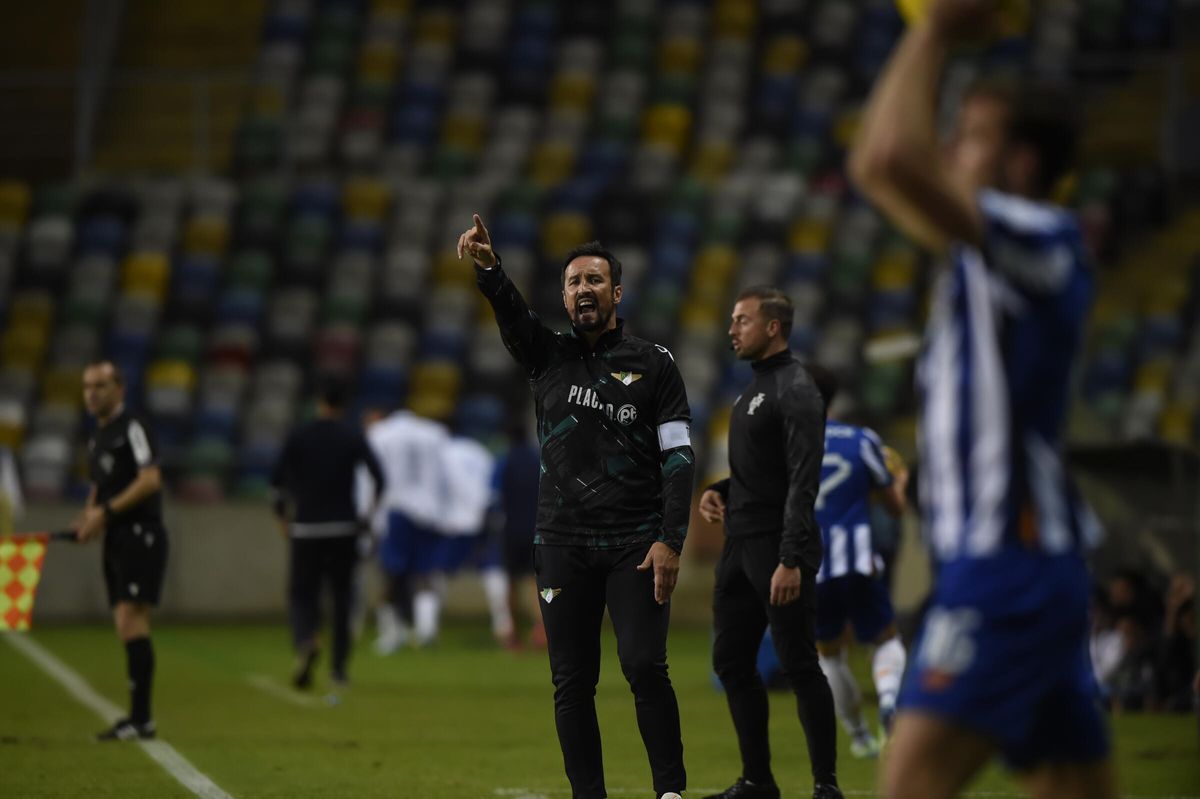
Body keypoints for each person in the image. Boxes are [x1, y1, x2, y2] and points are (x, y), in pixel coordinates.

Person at [848, 1, 1113, 797]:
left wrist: (931, 30)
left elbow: (890, 157)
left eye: (974, 132)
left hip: (1008, 568)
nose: (953, 146)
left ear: (1024, 164)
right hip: (1024, 563)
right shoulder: (990, 249)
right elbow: (880, 168)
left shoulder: (1038, 234)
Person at [459, 215, 694, 799]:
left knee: (643, 667)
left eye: (594, 280)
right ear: (564, 296)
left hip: (636, 543)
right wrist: (490, 270)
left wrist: (672, 539)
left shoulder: (655, 364)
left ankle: (670, 792)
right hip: (561, 543)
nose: (583, 290)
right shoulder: (547, 356)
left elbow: (679, 459)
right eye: (573, 283)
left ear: (617, 292)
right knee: (571, 682)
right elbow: (512, 317)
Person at [698, 288, 843, 799]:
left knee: (800, 662)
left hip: (778, 549)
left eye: (742, 320)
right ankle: (758, 781)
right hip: (739, 546)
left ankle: (826, 785)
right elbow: (763, 475)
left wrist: (790, 559)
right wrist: (721, 491)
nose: (732, 329)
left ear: (774, 327)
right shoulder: (753, 389)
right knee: (732, 662)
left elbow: (803, 482)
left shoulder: (796, 389)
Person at [808, 375, 909, 758]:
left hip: (814, 564)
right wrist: (899, 481)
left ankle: (859, 735)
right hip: (859, 558)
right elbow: (895, 508)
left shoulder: (791, 442)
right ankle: (887, 698)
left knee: (830, 653)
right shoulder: (863, 440)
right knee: (884, 637)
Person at [271, 380, 384, 692]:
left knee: (302, 593)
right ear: (344, 405)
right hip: (344, 527)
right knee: (342, 598)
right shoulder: (351, 436)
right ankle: (338, 670)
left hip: (306, 527)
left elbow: (277, 481)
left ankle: (307, 638)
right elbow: (379, 477)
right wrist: (368, 515)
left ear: (320, 401)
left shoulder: (300, 435)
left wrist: (282, 516)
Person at [76, 360, 168, 741]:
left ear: (120, 388)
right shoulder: (97, 437)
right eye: (87, 387)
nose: (92, 393)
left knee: (131, 620)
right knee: (124, 624)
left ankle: (141, 718)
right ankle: (139, 717)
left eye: (100, 385)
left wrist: (106, 513)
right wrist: (88, 518)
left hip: (139, 534)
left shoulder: (133, 427)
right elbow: (100, 485)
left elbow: (150, 480)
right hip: (116, 537)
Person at [359, 406, 448, 653]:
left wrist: (369, 517)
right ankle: (426, 628)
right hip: (427, 511)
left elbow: (371, 478)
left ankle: (392, 633)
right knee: (425, 572)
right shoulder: (433, 433)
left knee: (391, 573)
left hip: (395, 510)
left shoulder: (379, 434)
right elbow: (443, 474)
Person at [493, 420, 545, 649]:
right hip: (537, 528)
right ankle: (540, 630)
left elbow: (493, 494)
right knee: (536, 581)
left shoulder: (504, 461)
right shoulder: (538, 460)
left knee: (511, 583)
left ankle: (513, 635)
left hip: (511, 529)